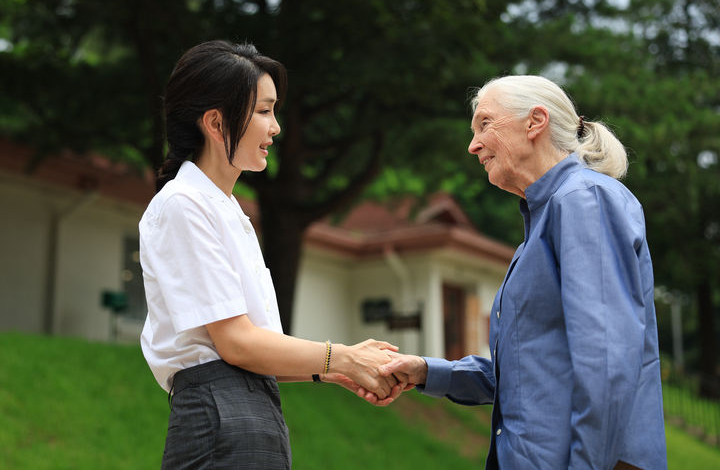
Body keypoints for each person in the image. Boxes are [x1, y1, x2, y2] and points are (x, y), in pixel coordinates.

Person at [377, 75, 667, 470]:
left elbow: (606, 363)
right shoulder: (547, 219)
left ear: (535, 122)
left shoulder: (583, 199)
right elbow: (524, 374)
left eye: (484, 124)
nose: (473, 144)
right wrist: (428, 371)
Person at [139, 40, 399, 470]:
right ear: (216, 122)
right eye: (264, 111)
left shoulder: (225, 210)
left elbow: (251, 346)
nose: (276, 127)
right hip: (220, 417)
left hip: (248, 414)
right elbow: (235, 342)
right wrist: (344, 357)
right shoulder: (183, 204)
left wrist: (337, 369)